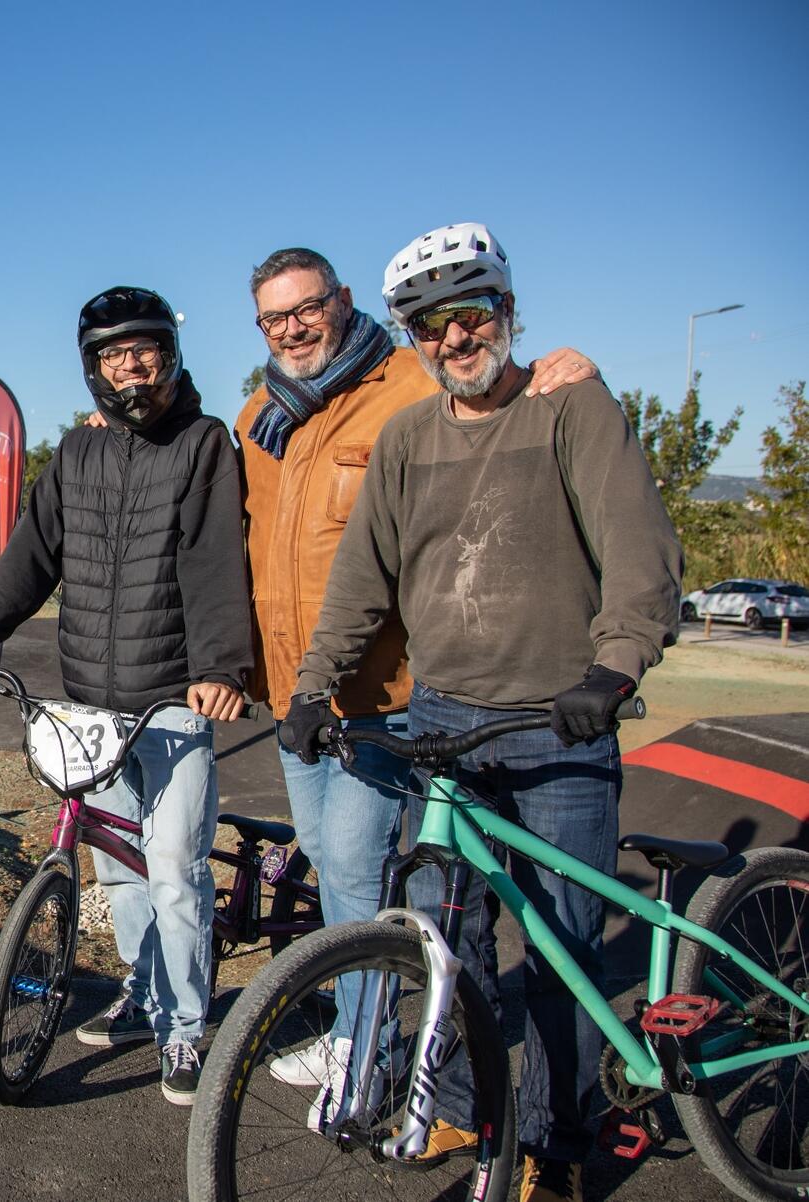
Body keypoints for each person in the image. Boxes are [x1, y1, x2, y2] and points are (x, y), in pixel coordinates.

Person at [284, 223, 682, 1202]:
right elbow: (360, 581)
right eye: (432, 324)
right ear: (411, 336)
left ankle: (553, 1137)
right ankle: (465, 1093)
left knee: (561, 941)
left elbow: (643, 556)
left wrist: (614, 668)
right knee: (445, 934)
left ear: (508, 309)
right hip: (447, 721)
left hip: (561, 721)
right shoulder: (409, 438)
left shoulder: (570, 407)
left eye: (474, 313)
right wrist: (307, 688)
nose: (457, 338)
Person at [236, 248, 597, 1100]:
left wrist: (572, 368)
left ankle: (368, 1059)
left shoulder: (411, 385)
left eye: (307, 307)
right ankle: (380, 1039)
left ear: (345, 301)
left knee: (361, 870)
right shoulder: (260, 413)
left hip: (392, 694)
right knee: (330, 861)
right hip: (301, 695)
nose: (292, 328)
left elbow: (497, 402)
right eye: (272, 317)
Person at [0, 286, 252, 1105]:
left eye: (142, 349)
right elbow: (29, 557)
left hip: (175, 702)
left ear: (168, 355)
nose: (130, 366)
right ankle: (142, 995)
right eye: (114, 355)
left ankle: (183, 1030)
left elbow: (216, 561)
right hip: (90, 702)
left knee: (177, 870)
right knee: (120, 877)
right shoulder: (77, 456)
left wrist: (222, 667)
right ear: (92, 367)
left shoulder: (201, 443)